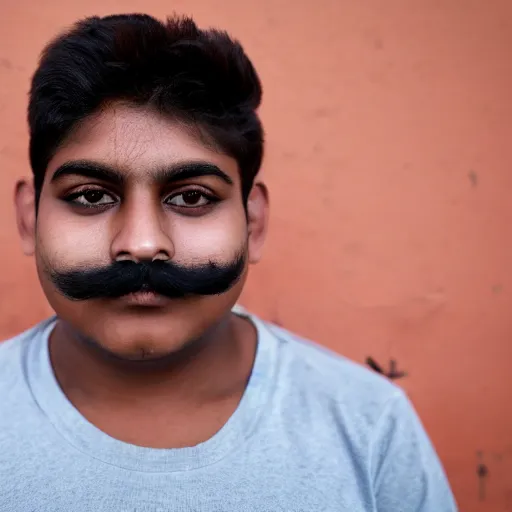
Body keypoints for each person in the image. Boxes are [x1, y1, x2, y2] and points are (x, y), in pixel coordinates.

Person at [0, 13, 457, 511]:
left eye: (192, 197)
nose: (143, 243)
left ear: (253, 221)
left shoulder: (370, 427)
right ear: (29, 217)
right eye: (90, 197)